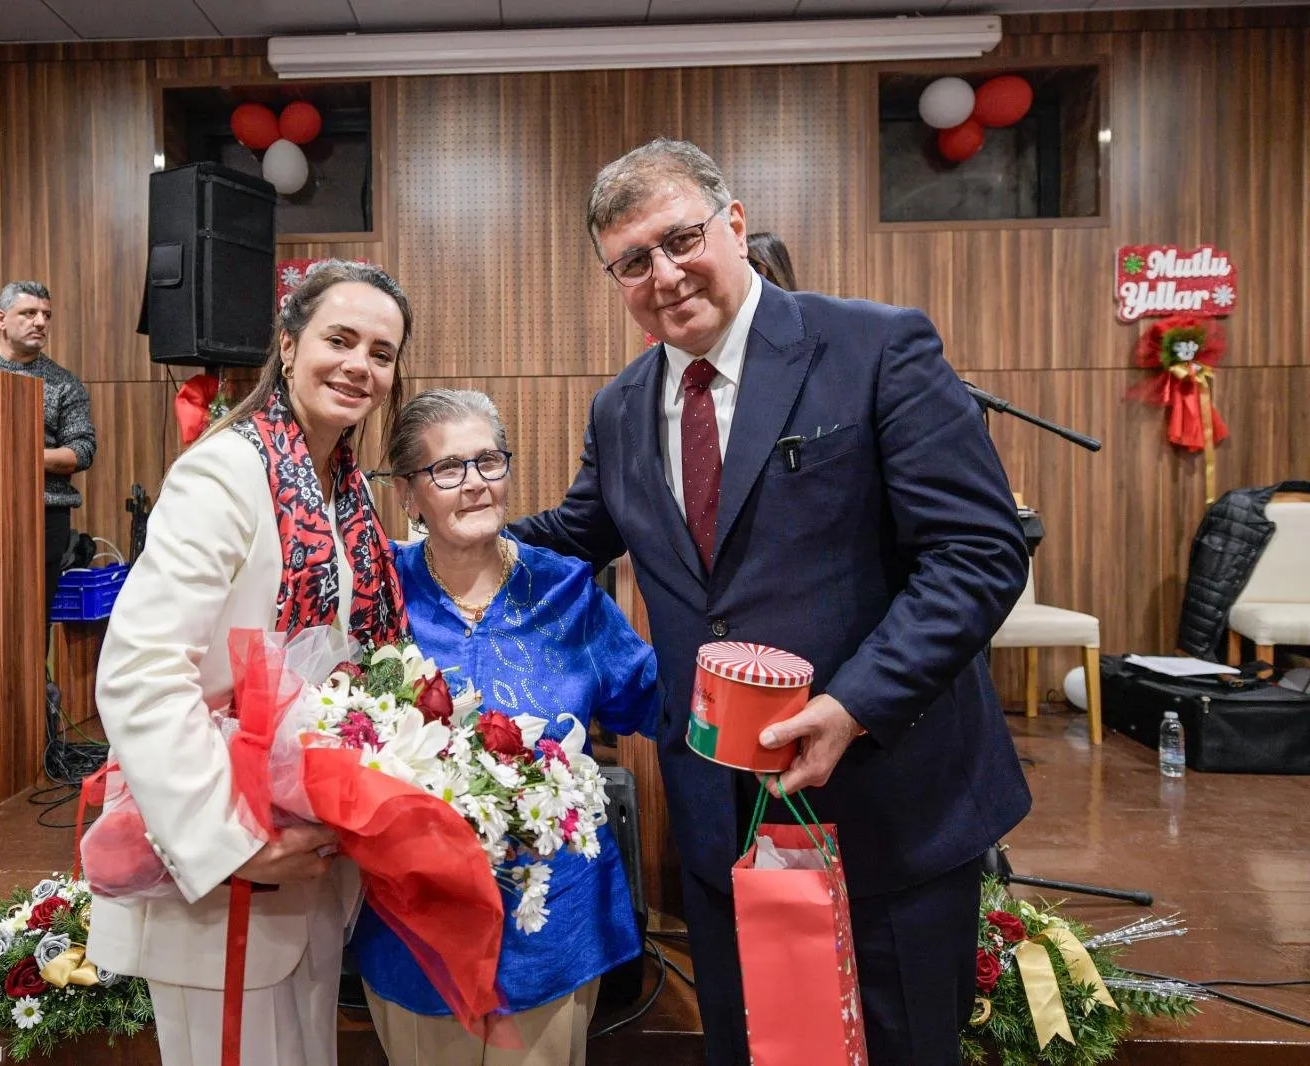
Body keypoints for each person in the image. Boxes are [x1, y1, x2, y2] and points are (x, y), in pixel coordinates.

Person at [511, 139, 1032, 1066]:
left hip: (890, 813)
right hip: (723, 828)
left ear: (735, 225)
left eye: (680, 240)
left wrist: (855, 704)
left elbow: (978, 552)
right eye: (633, 262)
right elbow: (577, 535)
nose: (664, 275)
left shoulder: (874, 347)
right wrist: (428, 547)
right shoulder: (620, 408)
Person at [84, 260, 414, 1066]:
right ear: (290, 343)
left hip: (307, 861)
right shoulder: (226, 472)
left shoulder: (345, 490)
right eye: (339, 340)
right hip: (228, 874)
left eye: (381, 351)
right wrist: (230, 841)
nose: (359, 366)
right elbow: (139, 670)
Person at [349, 388, 660, 1066]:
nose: (476, 485)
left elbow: (652, 702)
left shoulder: (567, 591)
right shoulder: (377, 592)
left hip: (553, 927)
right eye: (448, 469)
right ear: (408, 493)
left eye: (489, 461)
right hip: (417, 932)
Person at [0, 281, 97, 635]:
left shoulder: (63, 384)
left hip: (40, 515)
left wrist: (16, 453)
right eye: (29, 313)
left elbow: (82, 451)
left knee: (27, 622)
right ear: (1, 319)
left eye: (46, 315)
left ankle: (34, 690)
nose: (40, 322)